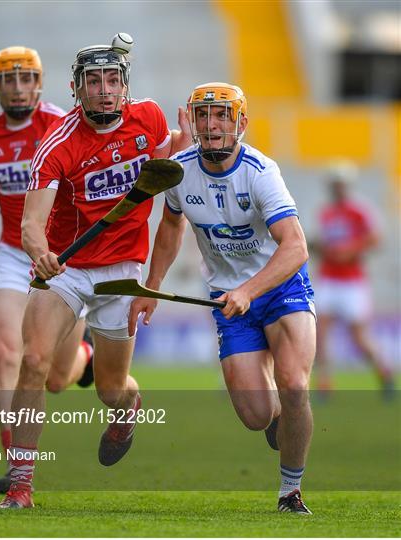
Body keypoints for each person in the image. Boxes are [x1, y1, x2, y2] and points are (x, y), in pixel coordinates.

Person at [0, 33, 191, 509]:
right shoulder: (57, 144)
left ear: (124, 85)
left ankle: (129, 408)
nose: (104, 90)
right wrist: (41, 253)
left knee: (110, 390)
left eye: (112, 80)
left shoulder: (149, 119)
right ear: (76, 88)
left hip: (123, 271)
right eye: (94, 82)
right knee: (34, 363)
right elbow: (31, 225)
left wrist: (180, 147)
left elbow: (165, 179)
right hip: (66, 269)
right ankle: (21, 485)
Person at [129, 82, 316, 514]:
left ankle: (290, 491)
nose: (211, 126)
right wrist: (151, 287)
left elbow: (296, 247)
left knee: (294, 384)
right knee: (255, 416)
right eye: (203, 116)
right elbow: (171, 228)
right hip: (227, 301)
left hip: (280, 288)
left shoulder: (260, 171)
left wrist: (250, 290)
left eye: (222, 116)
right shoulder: (178, 171)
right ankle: (276, 421)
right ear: (192, 123)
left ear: (241, 124)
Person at [0, 46, 94, 495]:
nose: (18, 88)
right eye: (8, 80)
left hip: (61, 256)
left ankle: (84, 357)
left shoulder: (60, 125)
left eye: (27, 79)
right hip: (14, 255)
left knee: (54, 378)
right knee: (4, 353)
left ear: (41, 82)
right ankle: (16, 464)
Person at [313, 163, 394, 396]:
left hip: (351, 281)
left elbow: (377, 237)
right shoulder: (326, 213)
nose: (337, 189)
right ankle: (324, 385)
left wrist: (350, 250)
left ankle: (384, 373)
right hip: (328, 278)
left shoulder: (359, 210)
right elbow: (323, 244)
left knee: (359, 337)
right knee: (320, 333)